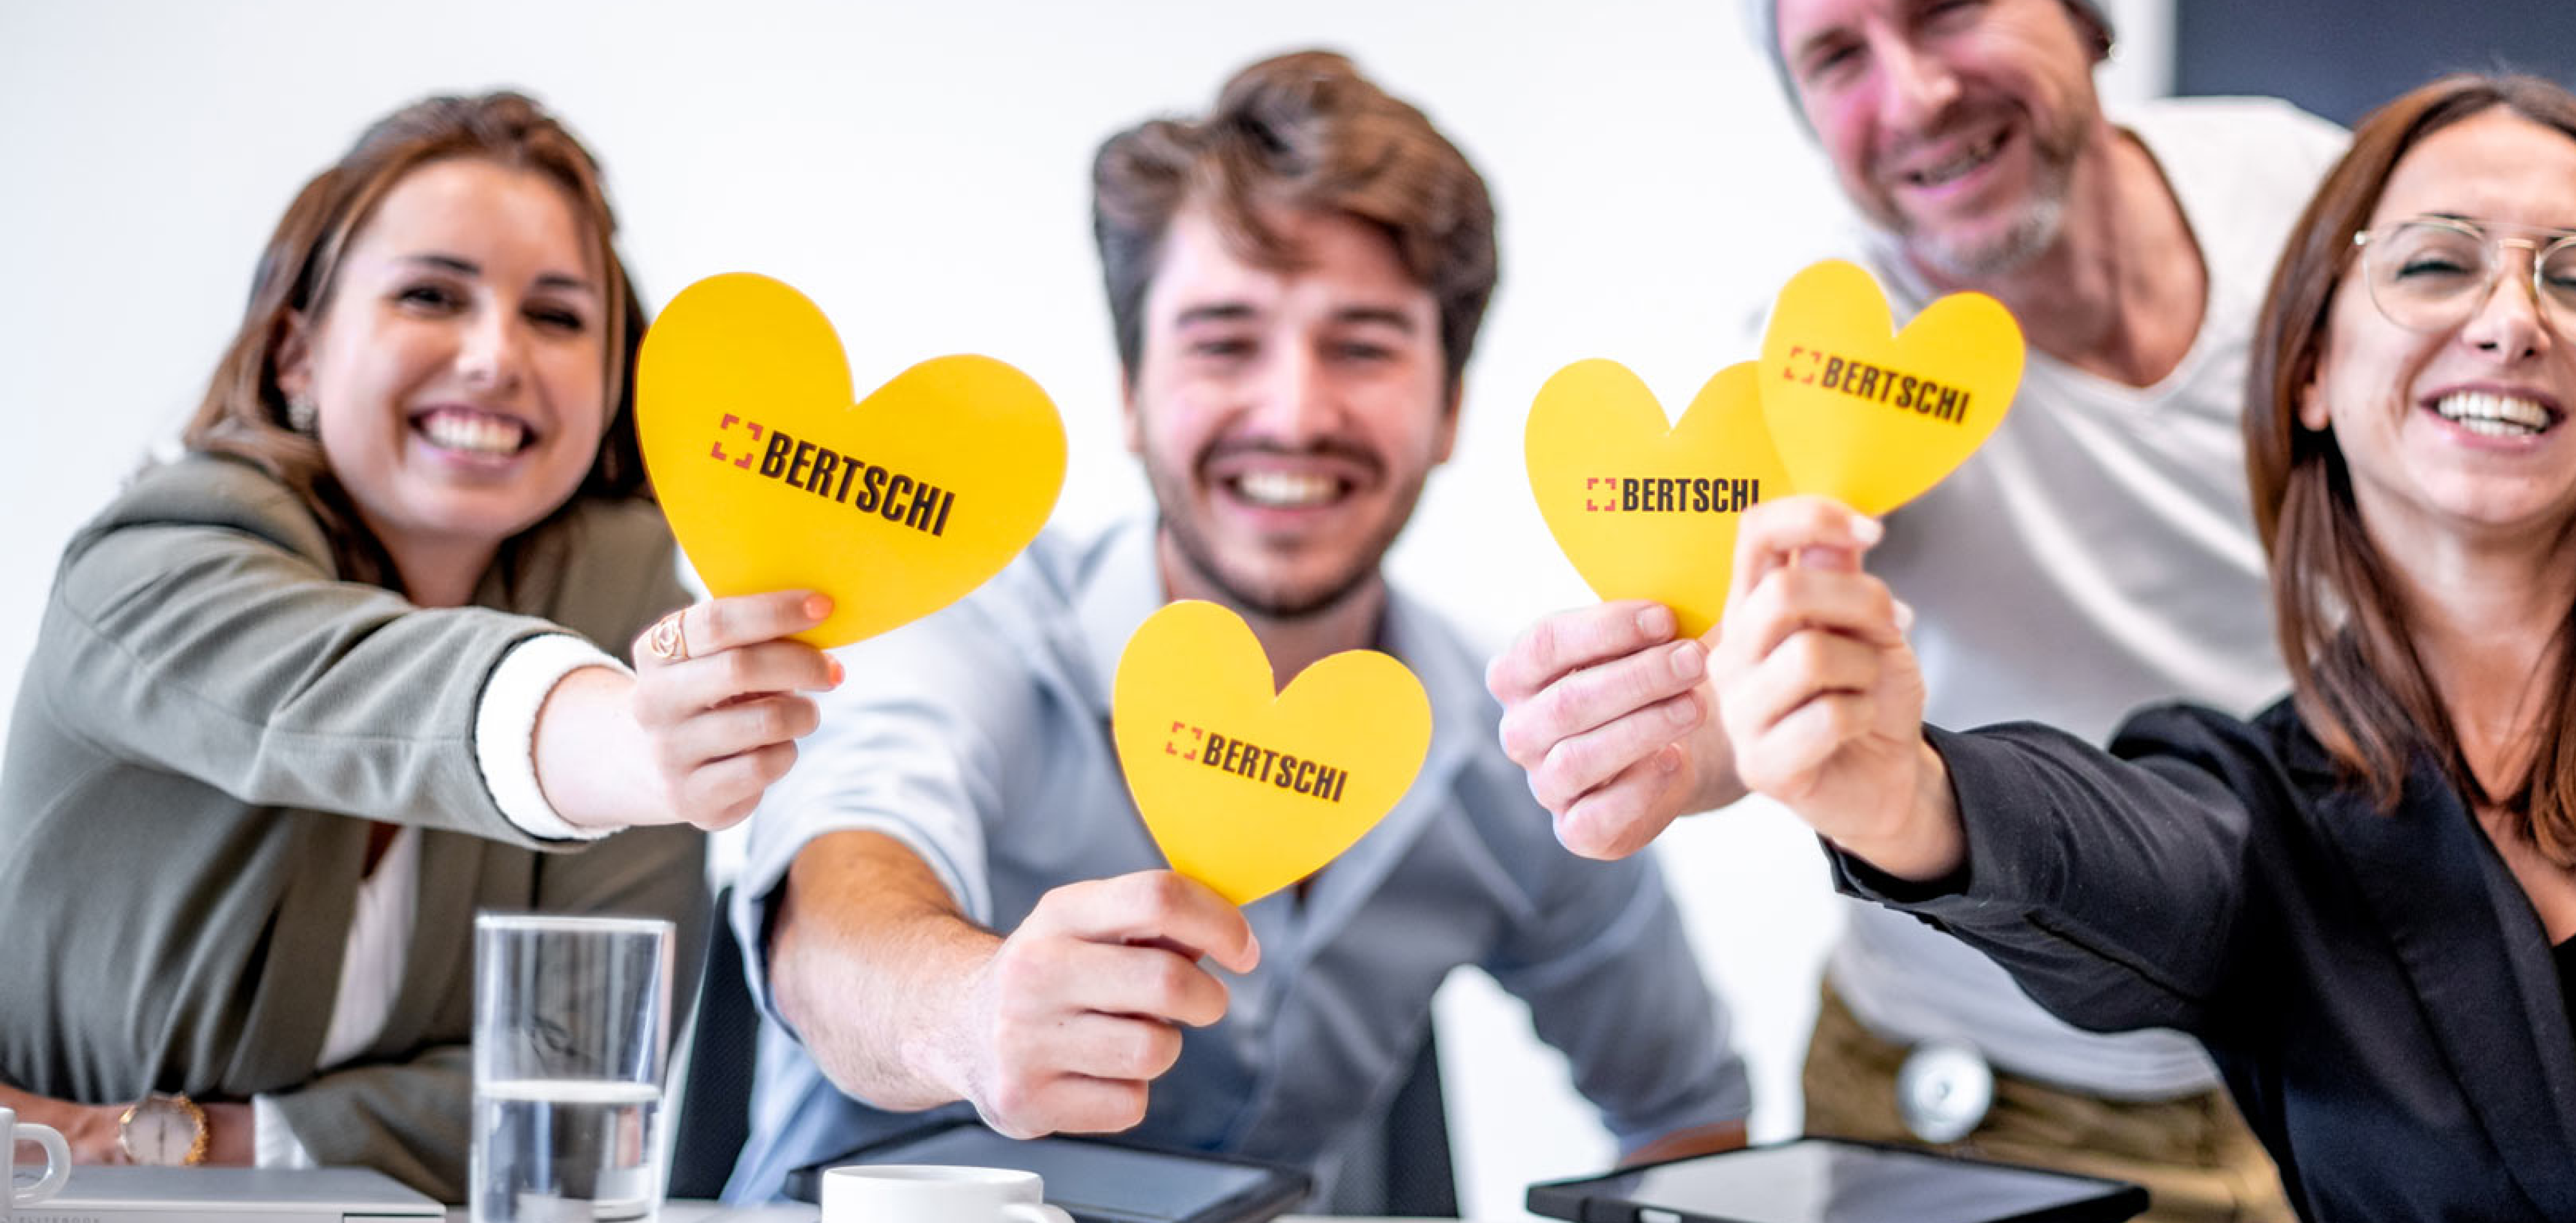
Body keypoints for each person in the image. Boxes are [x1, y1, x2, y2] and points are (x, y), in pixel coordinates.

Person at [1706, 72, 2576, 1219]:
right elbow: (2112, 857)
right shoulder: (2255, 800)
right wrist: (1911, 796)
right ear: (2309, 370)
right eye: (2433, 262)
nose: (2512, 318)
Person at [725, 51, 1750, 1210]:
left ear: (1452, 406)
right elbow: (831, 916)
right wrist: (967, 1011)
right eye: (1223, 340)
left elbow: (1685, 1117)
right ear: (1130, 388)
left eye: (1363, 345)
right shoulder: (975, 636)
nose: (1295, 412)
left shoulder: (1524, 738)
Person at [1487, 0, 2334, 1213]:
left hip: (2340, 1057)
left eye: (1947, 12)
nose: (1915, 95)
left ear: (2086, 19)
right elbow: (1741, 670)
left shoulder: (2303, 192)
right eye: (1837, 59)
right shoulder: (1821, 367)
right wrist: (1686, 739)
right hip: (1968, 1108)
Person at [0, 92, 835, 1203]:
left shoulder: (626, 590)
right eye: (432, 295)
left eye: (557, 316)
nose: (495, 357)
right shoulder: (156, 558)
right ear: (296, 354)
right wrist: (619, 739)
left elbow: (584, 1080)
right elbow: (338, 691)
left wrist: (177, 1137)